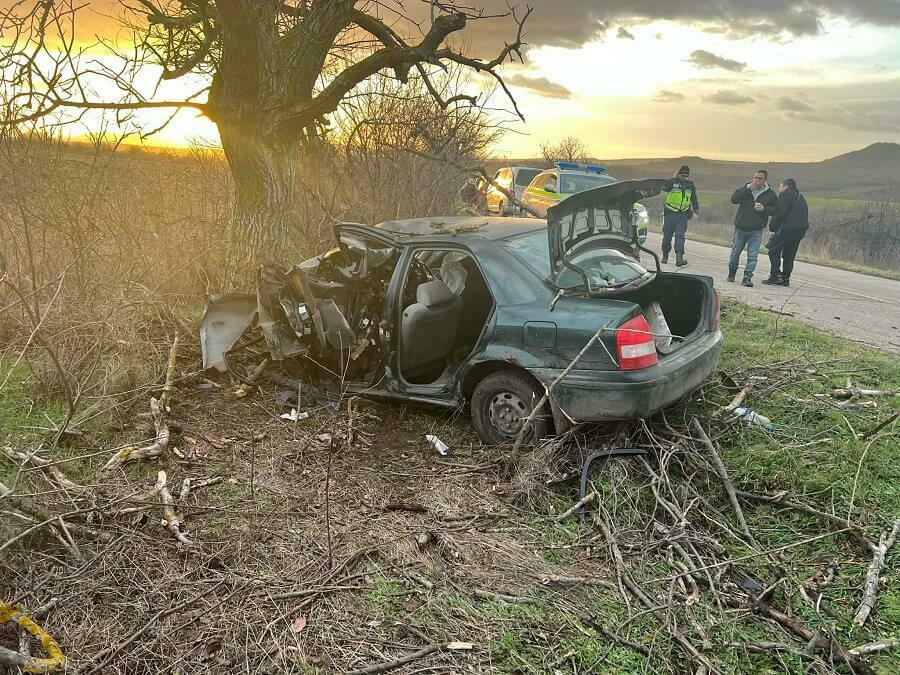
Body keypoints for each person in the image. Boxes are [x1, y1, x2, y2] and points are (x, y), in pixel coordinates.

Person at [728, 169, 778, 287]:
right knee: (735, 253)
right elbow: (734, 199)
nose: (756, 180)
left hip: (756, 230)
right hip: (741, 228)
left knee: (753, 255)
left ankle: (747, 277)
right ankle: (732, 272)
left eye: (759, 178)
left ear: (765, 180)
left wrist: (764, 209)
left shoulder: (770, 194)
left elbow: (776, 210)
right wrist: (747, 189)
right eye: (755, 177)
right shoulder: (746, 189)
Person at [763, 178, 809, 286]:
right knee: (789, 254)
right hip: (800, 230)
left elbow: (779, 213)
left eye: (780, 186)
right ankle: (785, 278)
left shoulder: (785, 195)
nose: (779, 189)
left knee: (773, 250)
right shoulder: (800, 196)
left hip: (787, 229)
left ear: (786, 186)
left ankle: (775, 276)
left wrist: (772, 228)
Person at [661, 165, 699, 266]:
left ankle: (679, 258)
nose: (684, 178)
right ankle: (665, 256)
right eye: (683, 176)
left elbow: (694, 198)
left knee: (680, 236)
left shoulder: (690, 185)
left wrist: (696, 211)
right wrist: (673, 178)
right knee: (667, 237)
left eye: (686, 176)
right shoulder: (672, 182)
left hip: (682, 215)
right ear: (679, 174)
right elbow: (664, 188)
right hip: (670, 214)